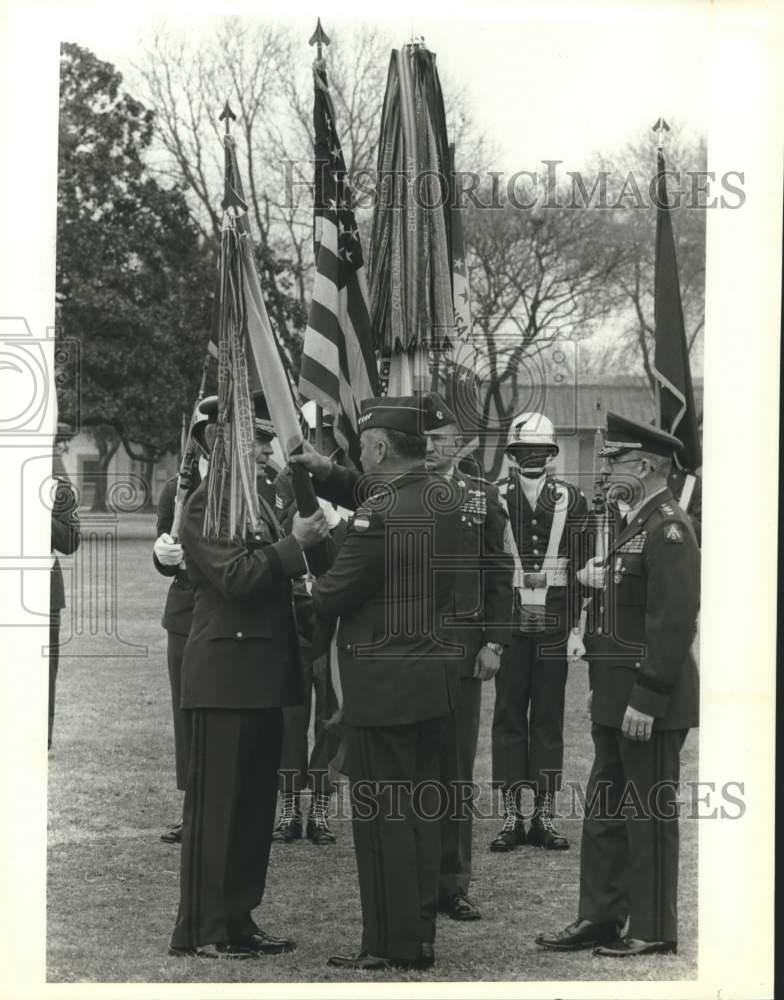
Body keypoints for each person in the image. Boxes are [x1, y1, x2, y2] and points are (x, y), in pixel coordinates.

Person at [168, 391, 330, 959]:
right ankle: (205, 928)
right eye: (256, 441)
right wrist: (294, 547)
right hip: (225, 676)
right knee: (217, 810)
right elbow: (235, 578)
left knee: (254, 807)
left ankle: (239, 917)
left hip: (261, 675)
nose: (266, 451)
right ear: (224, 442)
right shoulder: (206, 503)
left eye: (266, 442)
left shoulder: (258, 500)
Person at [305, 396, 464, 972]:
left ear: (376, 447)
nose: (360, 455)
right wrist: (331, 477)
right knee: (420, 816)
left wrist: (305, 553)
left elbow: (331, 593)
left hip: (382, 690)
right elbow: (380, 493)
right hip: (429, 683)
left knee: (382, 823)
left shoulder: (381, 516)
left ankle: (389, 945)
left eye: (364, 448)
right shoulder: (452, 500)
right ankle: (416, 937)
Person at [535, 411, 699, 958]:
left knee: (646, 815)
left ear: (649, 465)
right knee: (604, 811)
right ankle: (601, 917)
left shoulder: (669, 528)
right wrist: (605, 688)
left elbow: (671, 624)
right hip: (616, 698)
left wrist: (647, 698)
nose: (607, 471)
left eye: (618, 461)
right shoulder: (637, 523)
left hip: (647, 703)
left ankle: (652, 927)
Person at [422, 391, 513, 921]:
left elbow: (499, 573)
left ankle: (452, 883)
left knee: (455, 771)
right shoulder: (398, 490)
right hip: (406, 653)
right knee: (414, 768)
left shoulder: (481, 496)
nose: (431, 447)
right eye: (425, 439)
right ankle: (412, 875)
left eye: (441, 440)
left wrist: (495, 642)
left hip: (463, 654)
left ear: (462, 445)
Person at [490, 412, 589, 852]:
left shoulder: (574, 499)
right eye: (525, 451)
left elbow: (585, 569)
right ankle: (512, 815)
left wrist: (576, 629)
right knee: (509, 714)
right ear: (512, 455)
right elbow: (488, 571)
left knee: (548, 716)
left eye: (541, 452)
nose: (534, 459)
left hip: (552, 620)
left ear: (552, 454)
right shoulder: (492, 498)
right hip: (510, 621)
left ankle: (544, 815)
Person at [271, 457, 345, 846]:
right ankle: (288, 805)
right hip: (292, 625)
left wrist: (335, 520)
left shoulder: (350, 499)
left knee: (332, 720)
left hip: (333, 629)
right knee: (289, 721)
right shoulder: (281, 496)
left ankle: (319, 804)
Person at [49, 423, 80, 750]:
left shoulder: (55, 482)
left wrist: (36, 513)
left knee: (45, 670)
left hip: (44, 594)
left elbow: (71, 539)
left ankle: (40, 737)